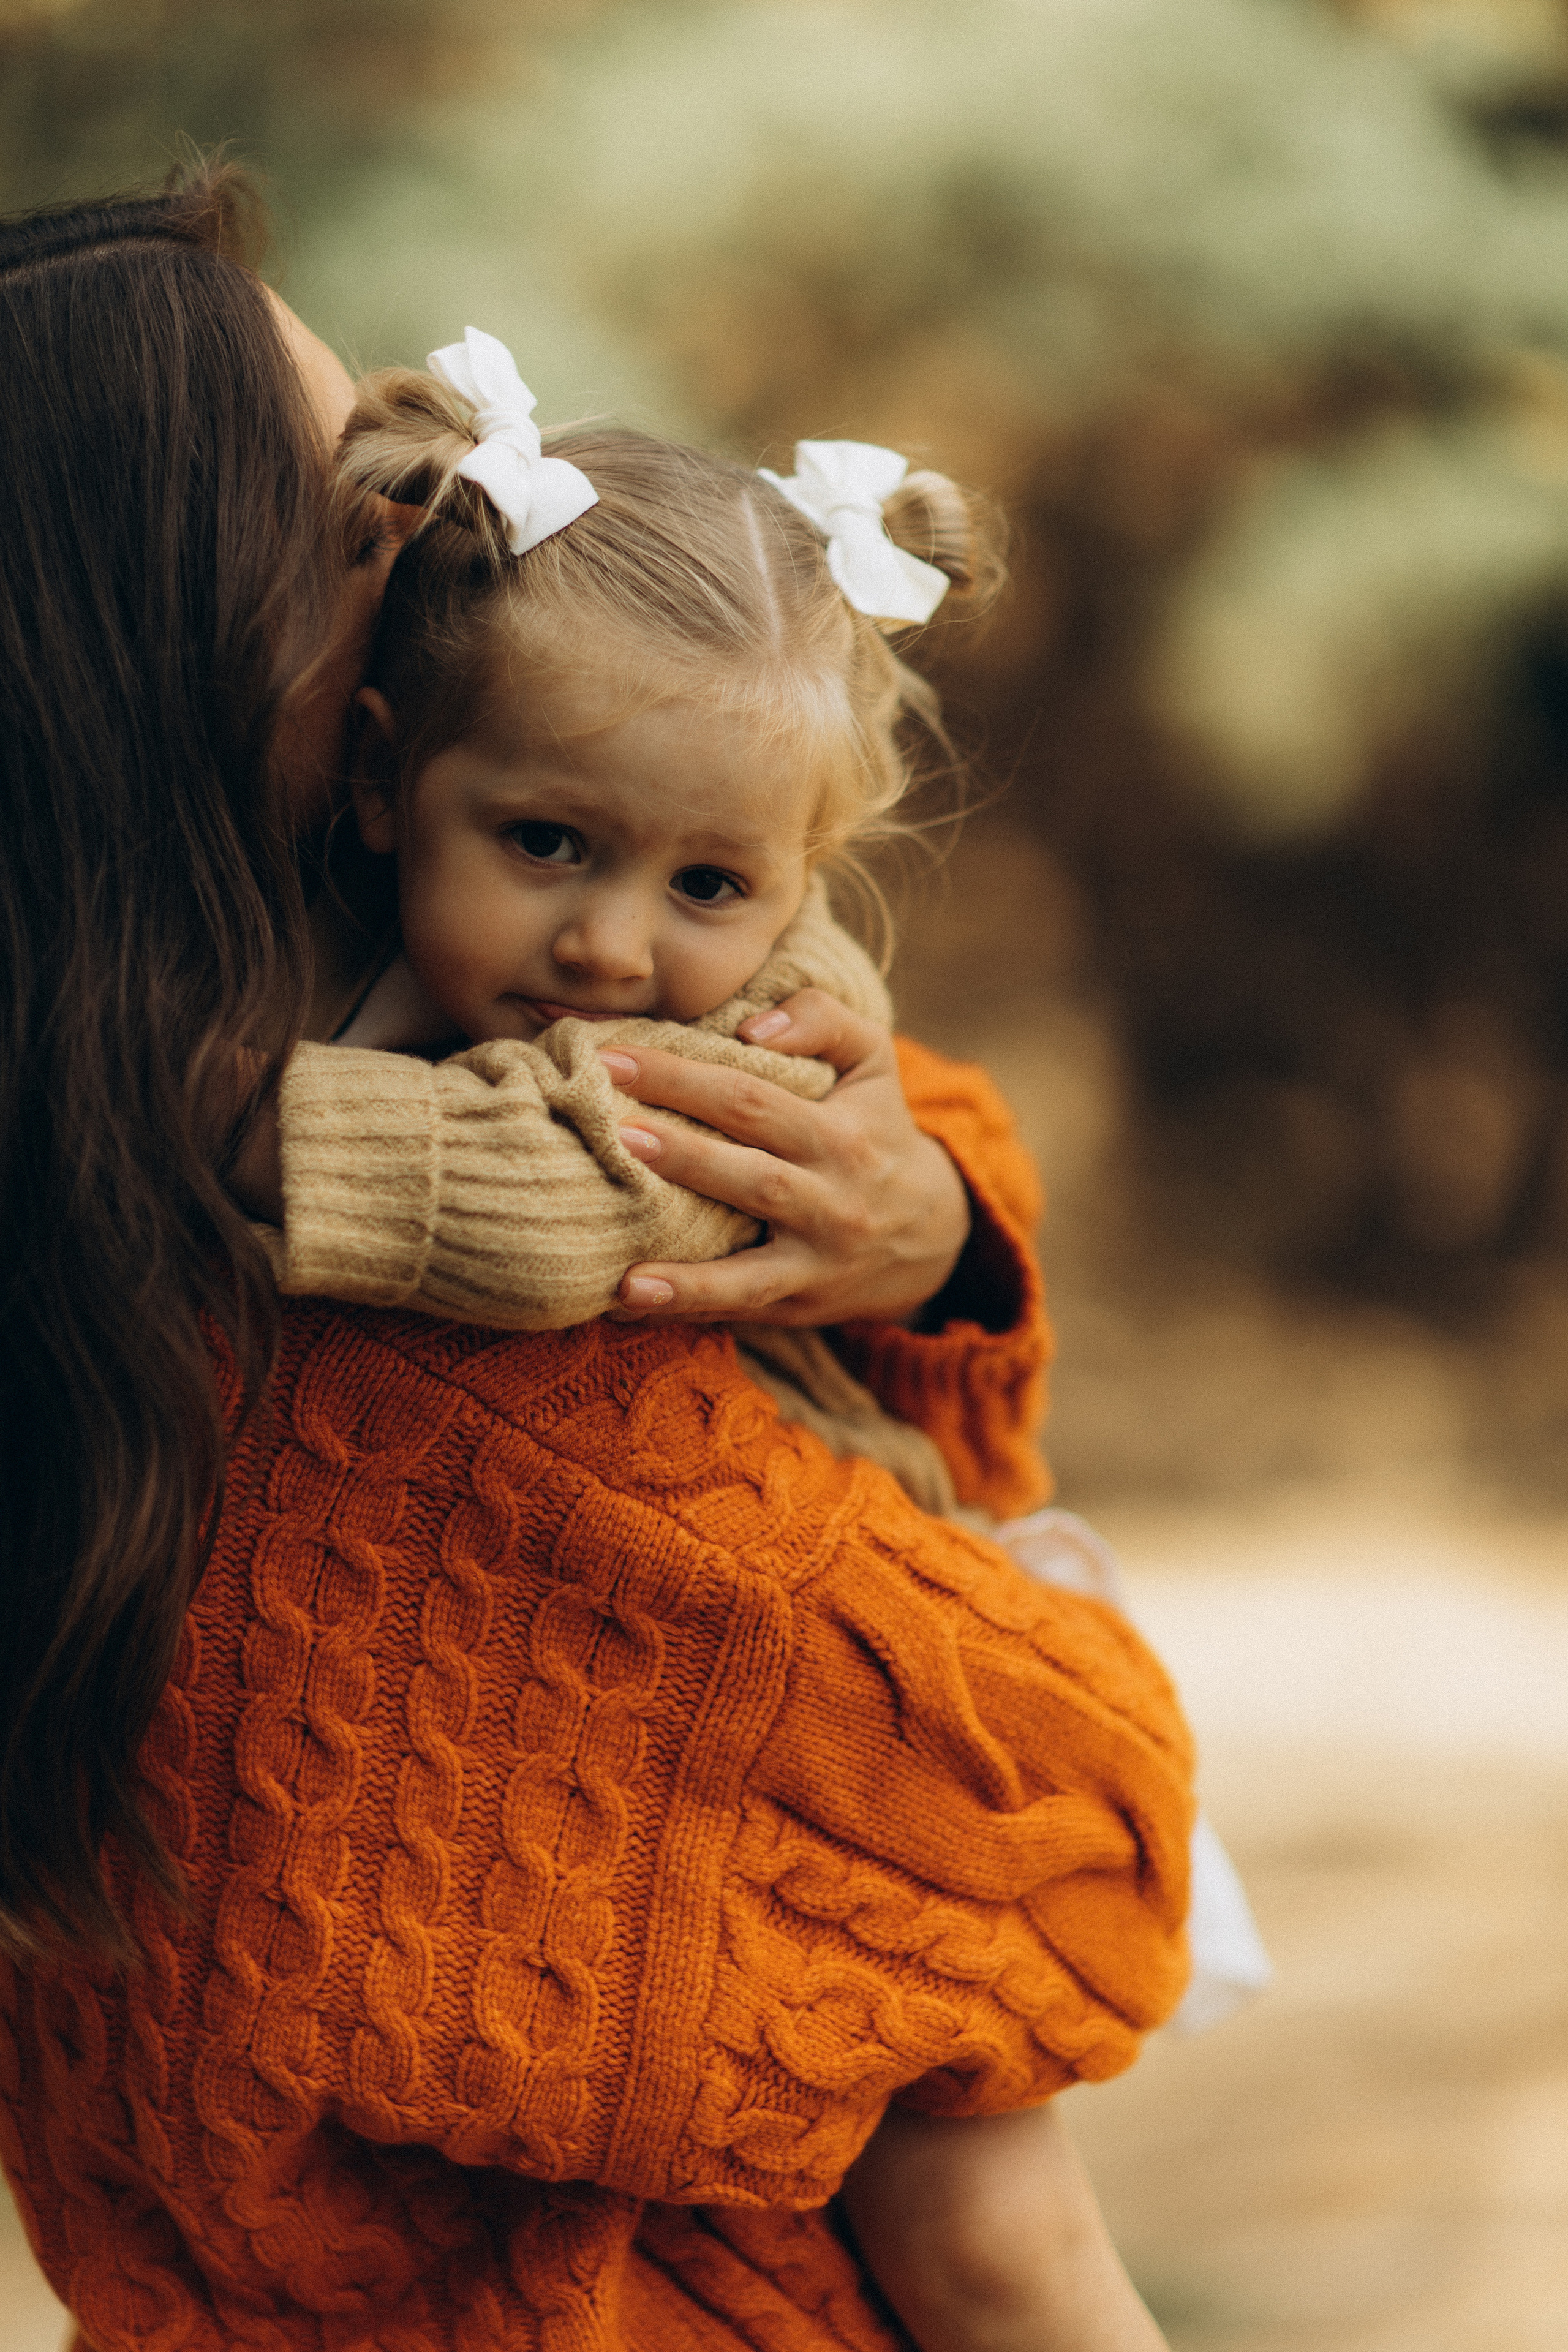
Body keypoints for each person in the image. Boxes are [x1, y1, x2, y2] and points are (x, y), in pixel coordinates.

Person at [0, 170, 1194, 2352]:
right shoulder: (331, 1299)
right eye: (350, 509)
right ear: (210, 651)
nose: (424, 510)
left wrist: (925, 1226)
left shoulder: (302, 1012)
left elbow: (886, 1125)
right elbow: (1051, 1798)